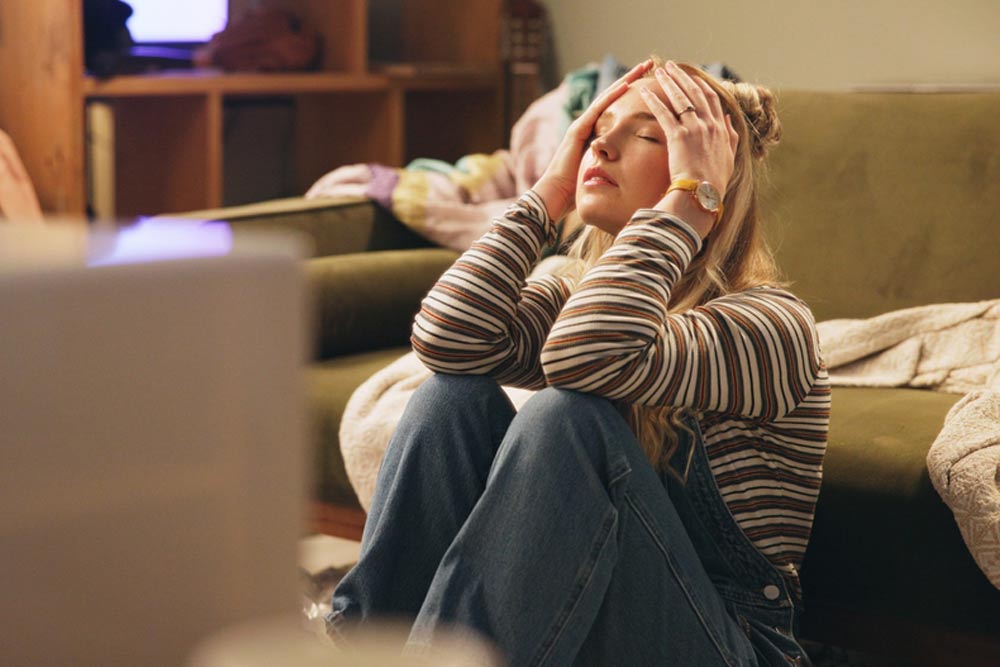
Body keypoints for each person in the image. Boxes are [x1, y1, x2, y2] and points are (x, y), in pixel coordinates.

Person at [328, 58, 831, 666]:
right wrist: (545, 196)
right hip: (593, 618)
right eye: (597, 131)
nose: (603, 147)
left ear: (708, 174)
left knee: (564, 416)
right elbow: (445, 341)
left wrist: (692, 204)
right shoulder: (576, 292)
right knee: (449, 399)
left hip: (730, 644)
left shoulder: (771, 326)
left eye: (647, 135)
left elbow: (584, 358)